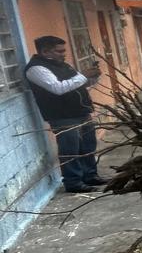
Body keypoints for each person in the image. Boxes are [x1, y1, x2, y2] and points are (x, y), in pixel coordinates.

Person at [24, 35, 107, 194]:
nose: (63, 54)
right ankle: (73, 182)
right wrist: (83, 75)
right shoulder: (36, 69)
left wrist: (93, 77)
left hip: (81, 112)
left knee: (88, 146)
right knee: (70, 149)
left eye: (64, 50)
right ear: (45, 51)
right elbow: (58, 88)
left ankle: (90, 175)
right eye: (59, 51)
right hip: (62, 116)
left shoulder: (64, 65)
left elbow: (79, 84)